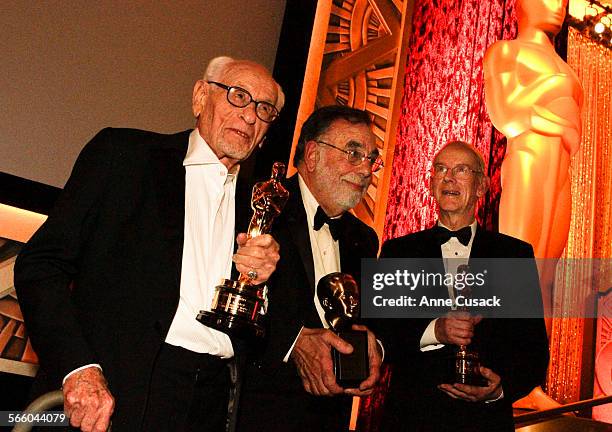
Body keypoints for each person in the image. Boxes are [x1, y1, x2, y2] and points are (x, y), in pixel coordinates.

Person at [14, 56, 284, 432]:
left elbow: (258, 334)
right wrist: (77, 368)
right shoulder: (125, 155)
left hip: (213, 403)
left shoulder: (260, 209)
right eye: (238, 96)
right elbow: (40, 265)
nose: (250, 116)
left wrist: (260, 285)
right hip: (119, 392)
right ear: (200, 97)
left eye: (265, 109)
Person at [376, 141, 549, 431]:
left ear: (481, 186)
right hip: (412, 418)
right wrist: (435, 330)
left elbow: (533, 350)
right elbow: (380, 335)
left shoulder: (514, 255)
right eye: (441, 169)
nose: (449, 177)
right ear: (431, 185)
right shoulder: (398, 251)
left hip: (485, 422)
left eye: (461, 170)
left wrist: (500, 389)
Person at [236, 105, 383, 431]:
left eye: (371, 159)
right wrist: (294, 341)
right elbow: (220, 303)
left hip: (331, 417)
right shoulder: (259, 207)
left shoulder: (365, 238)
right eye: (353, 154)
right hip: (257, 413)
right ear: (313, 154)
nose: (365, 171)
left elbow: (371, 323)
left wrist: (374, 349)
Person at [483, 0, 583, 324]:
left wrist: (547, 112)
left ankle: (536, 368)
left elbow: (576, 136)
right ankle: (504, 363)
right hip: (528, 160)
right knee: (519, 264)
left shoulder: (569, 71)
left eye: (564, 1)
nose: (558, 6)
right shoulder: (507, 53)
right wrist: (556, 89)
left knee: (546, 279)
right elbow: (506, 114)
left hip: (561, 174)